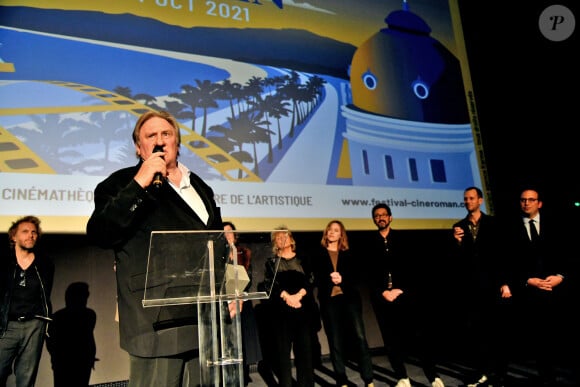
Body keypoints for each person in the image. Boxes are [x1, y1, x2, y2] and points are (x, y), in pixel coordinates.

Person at [86, 110, 223, 387]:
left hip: (203, 316)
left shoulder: (200, 186)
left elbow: (216, 243)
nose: (160, 140)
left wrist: (226, 291)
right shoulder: (119, 184)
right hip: (156, 320)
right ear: (139, 148)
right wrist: (140, 182)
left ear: (177, 142)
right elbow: (101, 233)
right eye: (151, 136)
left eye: (166, 134)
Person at [366, 203, 445, 387]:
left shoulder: (404, 240)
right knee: (390, 339)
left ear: (391, 218)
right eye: (377, 216)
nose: (381, 218)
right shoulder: (368, 244)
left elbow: (415, 269)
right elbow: (368, 273)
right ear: (374, 220)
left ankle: (433, 376)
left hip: (404, 295)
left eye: (384, 215)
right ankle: (402, 377)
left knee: (418, 337)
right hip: (383, 298)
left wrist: (401, 289)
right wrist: (383, 292)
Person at [504, 187, 571, 386]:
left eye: (531, 200)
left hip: (554, 289)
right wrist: (527, 280)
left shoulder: (557, 225)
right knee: (535, 338)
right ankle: (544, 375)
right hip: (527, 291)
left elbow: (568, 255)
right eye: (523, 200)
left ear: (539, 203)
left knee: (554, 337)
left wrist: (560, 276)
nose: (526, 203)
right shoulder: (509, 228)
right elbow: (506, 262)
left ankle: (551, 375)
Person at [451, 186, 512, 387]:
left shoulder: (493, 224)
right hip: (471, 288)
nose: (468, 201)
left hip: (493, 285)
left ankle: (500, 374)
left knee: (497, 332)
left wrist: (504, 283)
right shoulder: (458, 226)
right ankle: (482, 372)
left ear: (480, 201)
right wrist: (457, 243)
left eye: (471, 198)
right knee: (477, 333)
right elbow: (457, 262)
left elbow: (502, 255)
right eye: (465, 199)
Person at [311, 220, 375, 387]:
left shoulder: (349, 253)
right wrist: (329, 279)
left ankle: (368, 379)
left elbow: (358, 276)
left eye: (336, 230)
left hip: (350, 300)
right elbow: (314, 278)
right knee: (335, 340)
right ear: (326, 233)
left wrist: (343, 279)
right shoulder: (318, 254)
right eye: (329, 230)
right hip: (329, 301)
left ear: (341, 235)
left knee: (360, 337)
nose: (332, 233)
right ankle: (342, 381)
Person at [0, 215, 54, 387]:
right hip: (6, 326)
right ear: (13, 236)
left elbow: (45, 295)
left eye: (34, 232)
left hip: (33, 326)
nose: (31, 235)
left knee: (26, 379)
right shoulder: (3, 262)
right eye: (25, 231)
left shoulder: (44, 263)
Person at [260, 226, 317, 387]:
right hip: (281, 312)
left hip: (302, 308)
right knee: (283, 355)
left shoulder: (303, 259)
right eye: (277, 238)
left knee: (304, 353)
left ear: (291, 239)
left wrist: (298, 296)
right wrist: (287, 297)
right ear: (274, 243)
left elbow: (311, 279)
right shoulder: (271, 263)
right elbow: (269, 284)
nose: (281, 239)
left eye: (284, 236)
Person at [222, 221, 262, 386]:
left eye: (230, 232)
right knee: (227, 343)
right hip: (224, 304)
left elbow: (248, 277)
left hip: (242, 303)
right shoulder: (217, 254)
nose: (227, 235)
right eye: (223, 233)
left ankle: (243, 378)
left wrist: (238, 300)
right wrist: (229, 301)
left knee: (243, 343)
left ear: (235, 235)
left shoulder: (244, 252)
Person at [46, 281, 97, 387]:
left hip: (78, 362)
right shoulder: (88, 315)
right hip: (68, 363)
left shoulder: (87, 315)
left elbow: (50, 342)